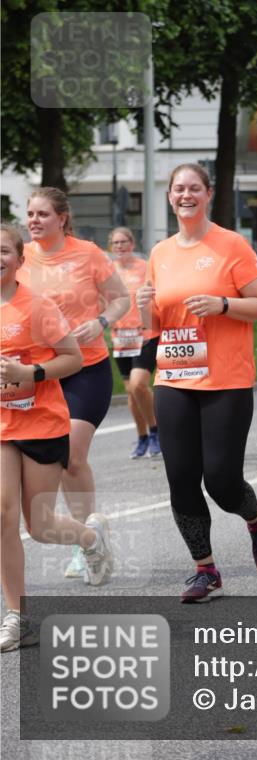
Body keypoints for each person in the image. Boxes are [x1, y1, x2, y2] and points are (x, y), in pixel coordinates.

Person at [137, 163, 257, 602]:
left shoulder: (230, 245)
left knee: (220, 480)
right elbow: (154, 327)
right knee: (181, 478)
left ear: (208, 195)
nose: (185, 195)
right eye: (178, 188)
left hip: (225, 379)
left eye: (193, 188)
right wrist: (143, 306)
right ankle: (205, 569)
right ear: (169, 196)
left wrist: (222, 304)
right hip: (175, 377)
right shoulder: (160, 253)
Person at [1, 224, 114, 651]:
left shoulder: (38, 306)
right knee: (2, 516)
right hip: (2, 425)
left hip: (41, 422)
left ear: (19, 259)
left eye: (4, 252)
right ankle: (17, 615)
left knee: (42, 525)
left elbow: (71, 358)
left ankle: (89, 538)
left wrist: (31, 374)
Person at [19, 188, 129, 580]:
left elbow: (120, 299)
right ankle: (89, 535)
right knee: (61, 460)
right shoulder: (20, 258)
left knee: (72, 454)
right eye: (30, 213)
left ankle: (88, 540)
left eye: (42, 214)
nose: (33, 220)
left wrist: (100, 322)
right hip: (40, 375)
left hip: (86, 367)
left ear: (62, 218)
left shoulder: (87, 254)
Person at [108, 227, 160, 459]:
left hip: (144, 333)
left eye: (123, 242)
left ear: (132, 243)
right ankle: (142, 437)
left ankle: (156, 431)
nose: (120, 247)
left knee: (139, 384)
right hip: (121, 336)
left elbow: (155, 294)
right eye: (115, 243)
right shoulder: (109, 271)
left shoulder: (144, 266)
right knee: (131, 392)